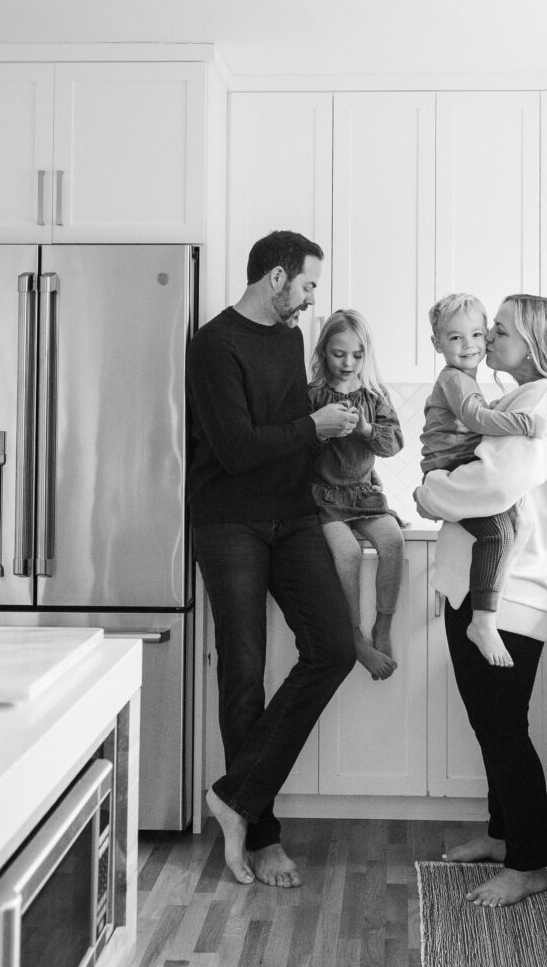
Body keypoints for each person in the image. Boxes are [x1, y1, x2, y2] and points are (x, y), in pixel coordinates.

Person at [186, 230, 357, 890]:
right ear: (279, 278)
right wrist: (314, 428)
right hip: (228, 521)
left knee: (333, 648)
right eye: (309, 285)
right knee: (244, 674)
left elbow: (289, 441)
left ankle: (232, 795)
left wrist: (345, 445)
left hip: (292, 516)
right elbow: (235, 446)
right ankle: (259, 835)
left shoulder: (286, 341)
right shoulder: (214, 345)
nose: (313, 300)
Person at [415, 293, 547, 908]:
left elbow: (492, 484)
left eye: (501, 331)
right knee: (492, 724)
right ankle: (503, 834)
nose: (488, 339)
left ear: (536, 344)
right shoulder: (526, 398)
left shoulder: (542, 397)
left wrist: (429, 491)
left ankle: (530, 863)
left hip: (509, 596)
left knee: (501, 728)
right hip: (497, 590)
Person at [421, 293, 547, 667]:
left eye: (478, 334)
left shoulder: (464, 380)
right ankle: (482, 621)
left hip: (454, 467)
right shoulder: (455, 379)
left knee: (509, 525)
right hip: (449, 469)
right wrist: (524, 422)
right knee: (498, 533)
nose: (471, 345)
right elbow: (476, 419)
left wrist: (496, 409)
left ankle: (487, 608)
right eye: (455, 338)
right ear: (437, 344)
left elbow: (475, 415)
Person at [308, 309, 406, 681]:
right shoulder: (313, 396)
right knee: (346, 552)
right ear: (323, 353)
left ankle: (383, 625)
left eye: (357, 355)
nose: (348, 363)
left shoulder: (375, 396)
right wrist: (323, 431)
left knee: (394, 541)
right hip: (326, 499)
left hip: (365, 495)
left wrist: (365, 428)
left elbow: (393, 443)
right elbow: (300, 452)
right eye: (338, 354)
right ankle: (354, 637)